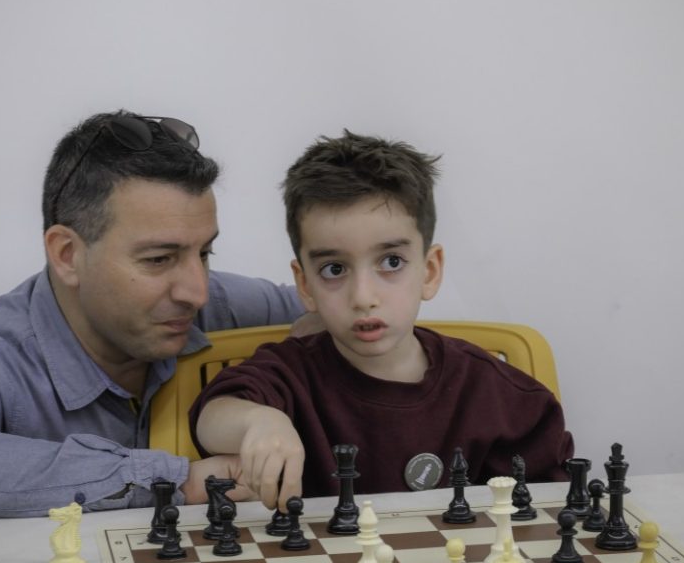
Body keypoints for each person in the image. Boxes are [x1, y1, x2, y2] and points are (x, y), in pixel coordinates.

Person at [0, 110, 305, 518]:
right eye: (159, 259)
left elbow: (335, 304)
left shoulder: (220, 303)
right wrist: (178, 481)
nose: (197, 293)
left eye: (204, 253)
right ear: (67, 255)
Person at [190, 130, 573, 509]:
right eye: (334, 269)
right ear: (305, 285)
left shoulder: (501, 396)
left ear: (429, 271)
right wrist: (259, 422)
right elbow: (212, 417)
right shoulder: (288, 373)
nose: (363, 297)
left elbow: (549, 513)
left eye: (391, 262)